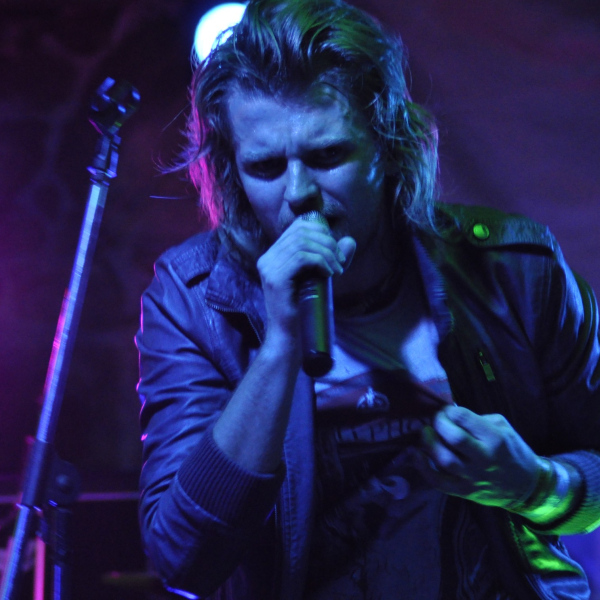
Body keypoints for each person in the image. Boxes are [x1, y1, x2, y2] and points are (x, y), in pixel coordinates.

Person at [135, 0, 600, 598]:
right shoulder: (194, 298)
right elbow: (182, 559)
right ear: (232, 171)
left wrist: (533, 485)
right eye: (266, 167)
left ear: (388, 145)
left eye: (328, 156)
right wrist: (279, 348)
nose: (300, 193)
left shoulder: (514, 268)